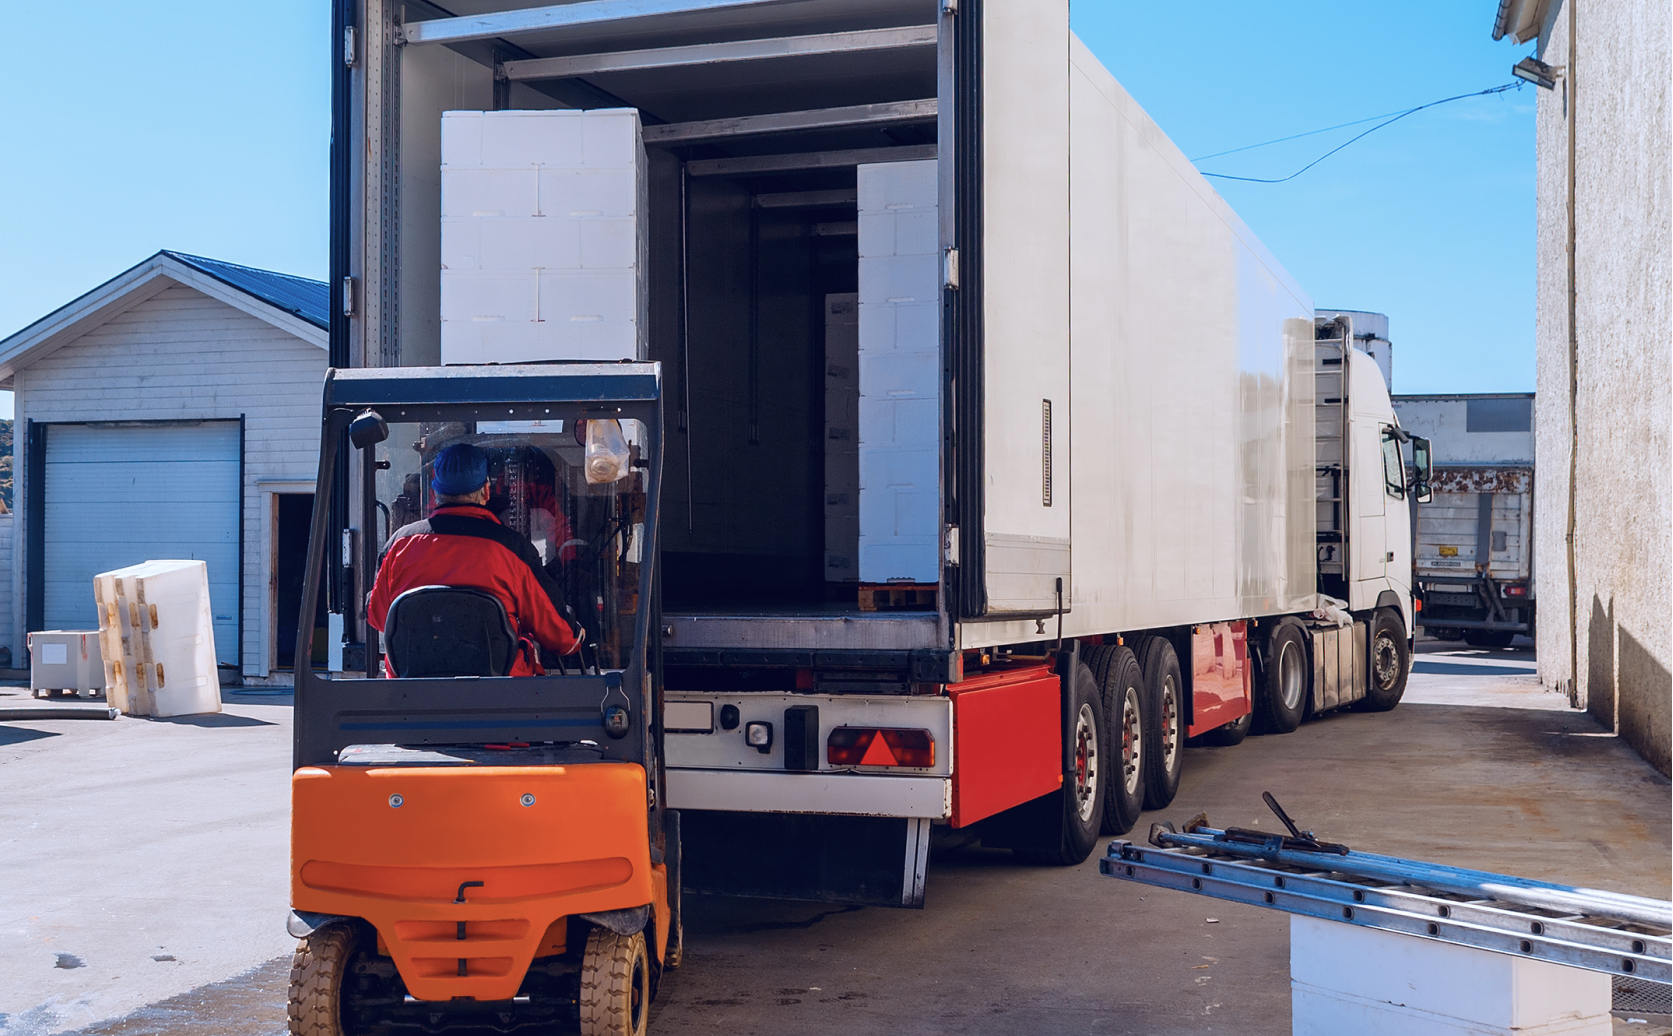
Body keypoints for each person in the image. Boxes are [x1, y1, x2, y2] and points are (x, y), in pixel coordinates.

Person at [367, 443, 582, 676]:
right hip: (501, 698)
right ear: (486, 491)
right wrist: (576, 634)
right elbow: (562, 638)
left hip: (412, 694)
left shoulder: (399, 544)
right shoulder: (511, 549)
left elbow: (379, 617)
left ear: (435, 492)